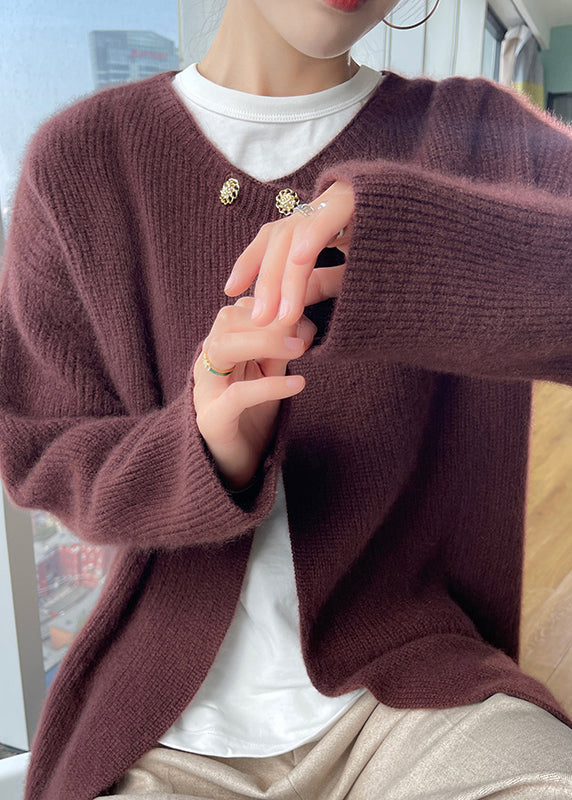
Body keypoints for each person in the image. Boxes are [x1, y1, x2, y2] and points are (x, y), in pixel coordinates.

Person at [1, 0, 572, 797]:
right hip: (160, 726)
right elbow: (41, 450)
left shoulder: (479, 136)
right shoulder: (80, 160)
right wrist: (203, 451)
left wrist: (417, 243)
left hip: (421, 690)